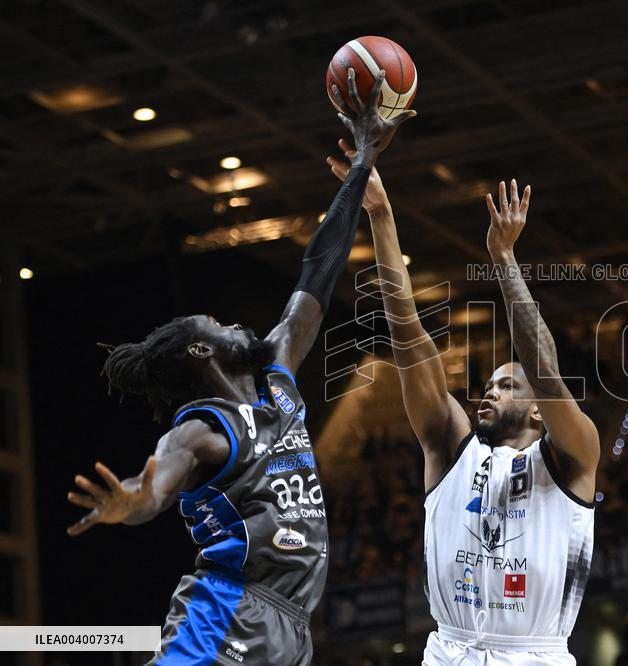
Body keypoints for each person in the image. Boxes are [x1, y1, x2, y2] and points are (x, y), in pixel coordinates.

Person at [64, 69, 414, 665]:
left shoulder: (277, 368)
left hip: (293, 623)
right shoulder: (198, 427)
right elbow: (155, 488)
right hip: (229, 610)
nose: (233, 324)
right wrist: (130, 502)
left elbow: (320, 268)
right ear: (201, 352)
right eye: (216, 324)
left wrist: (361, 163)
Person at [327, 152, 600, 664]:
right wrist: (381, 216)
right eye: (489, 384)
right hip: (450, 650)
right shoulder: (451, 445)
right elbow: (408, 336)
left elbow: (543, 370)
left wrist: (504, 260)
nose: (489, 392)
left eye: (506, 385)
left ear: (540, 409)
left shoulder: (572, 457)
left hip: (532, 654)